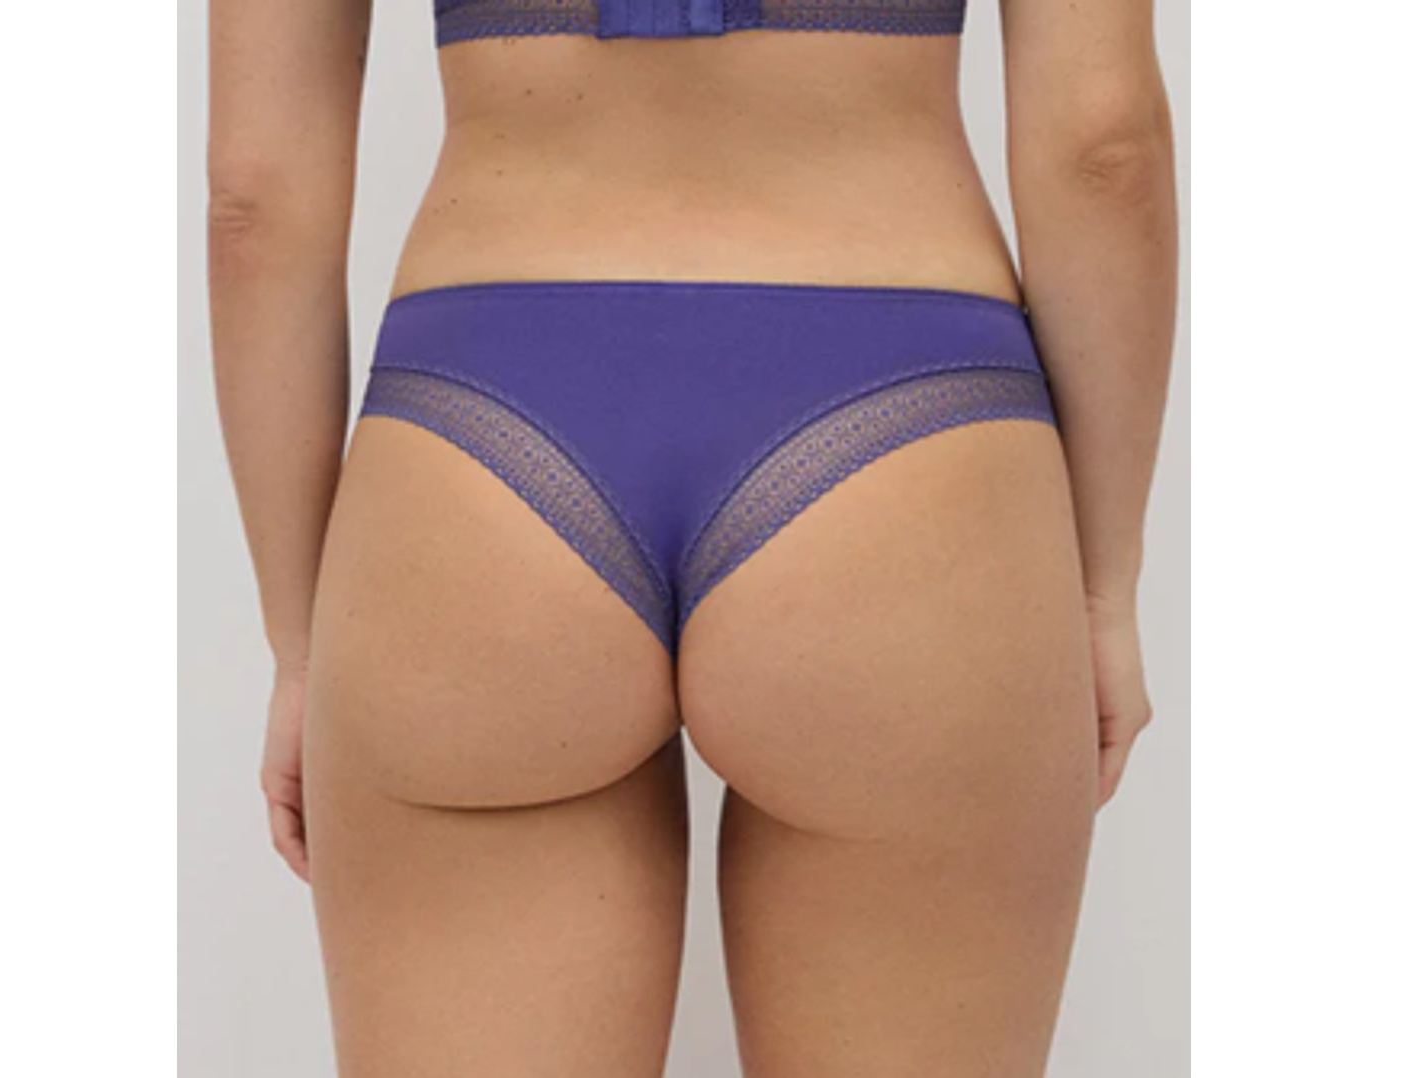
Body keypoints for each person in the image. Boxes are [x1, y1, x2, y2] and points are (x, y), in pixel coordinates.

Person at [207, 0, 1177, 1073]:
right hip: (909, 441)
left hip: (477, 448)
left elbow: (256, 200)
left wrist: (301, 648)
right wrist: (1103, 588)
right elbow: (1103, 148)